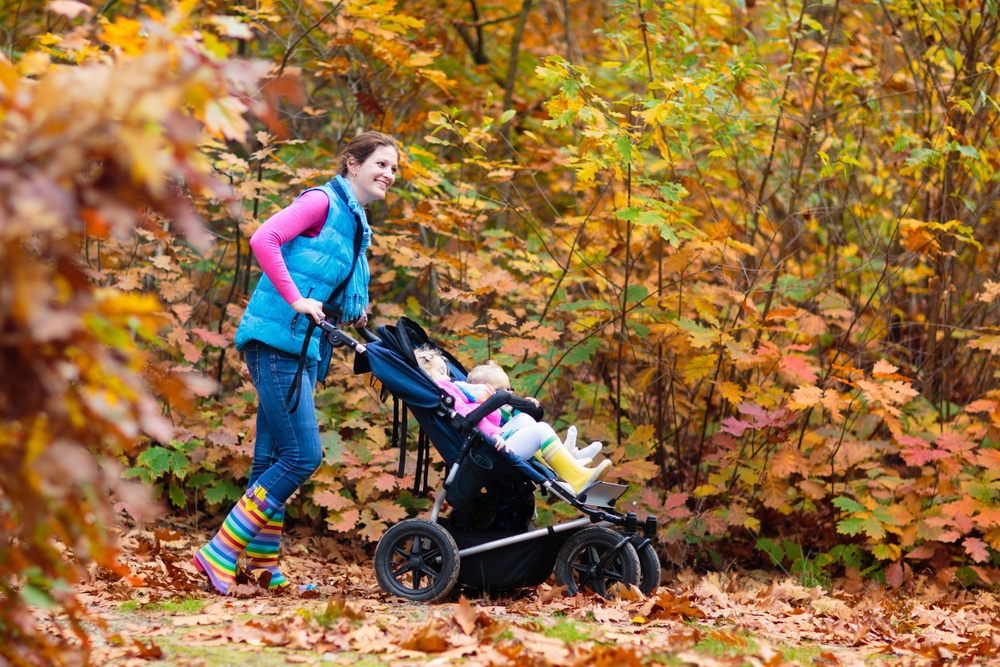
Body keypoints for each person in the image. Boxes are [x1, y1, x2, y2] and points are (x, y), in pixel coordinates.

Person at [193, 131, 400, 595]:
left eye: (394, 169)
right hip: (275, 341)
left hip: (302, 347)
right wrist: (298, 300)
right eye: (381, 164)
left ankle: (265, 569)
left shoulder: (353, 220)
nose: (389, 174)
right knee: (303, 455)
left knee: (270, 458)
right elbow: (264, 238)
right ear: (352, 162)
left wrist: (349, 307)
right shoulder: (321, 203)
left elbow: (320, 270)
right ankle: (219, 551)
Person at [414, 347, 612, 494]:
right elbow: (469, 416)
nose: (447, 378)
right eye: (441, 373)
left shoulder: (451, 389)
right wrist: (492, 435)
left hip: (488, 441)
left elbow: (484, 413)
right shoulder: (444, 392)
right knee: (540, 430)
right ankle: (579, 479)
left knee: (526, 419)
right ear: (426, 375)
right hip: (487, 450)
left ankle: (566, 466)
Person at [461, 360, 602, 464]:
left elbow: (517, 423)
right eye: (501, 390)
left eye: (510, 389)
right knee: (541, 429)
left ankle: (569, 456)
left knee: (526, 419)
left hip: (507, 442)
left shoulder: (505, 409)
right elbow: (484, 426)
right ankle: (571, 465)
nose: (508, 393)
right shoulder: (476, 408)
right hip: (492, 451)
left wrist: (523, 405)